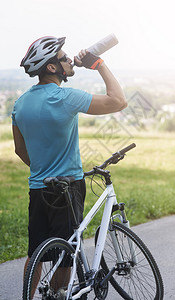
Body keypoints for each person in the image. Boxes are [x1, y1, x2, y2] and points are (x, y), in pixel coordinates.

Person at [12, 36, 127, 296]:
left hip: (38, 186)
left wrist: (42, 167)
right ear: (52, 67)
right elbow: (118, 101)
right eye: (64, 57)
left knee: (36, 253)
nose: (69, 59)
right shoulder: (65, 97)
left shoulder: (20, 104)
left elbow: (20, 150)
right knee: (67, 253)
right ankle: (58, 295)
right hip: (68, 186)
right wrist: (97, 64)